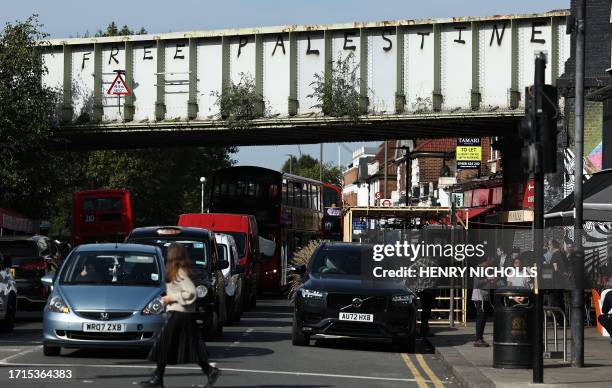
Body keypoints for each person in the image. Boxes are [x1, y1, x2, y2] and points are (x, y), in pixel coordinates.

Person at [140, 243, 220, 388]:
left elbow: (191, 292)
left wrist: (171, 298)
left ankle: (158, 378)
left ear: (172, 256)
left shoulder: (180, 272)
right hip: (181, 314)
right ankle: (209, 370)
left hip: (180, 314)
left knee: (164, 344)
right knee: (189, 347)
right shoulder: (177, 271)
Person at [472, 256, 496, 347]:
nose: (491, 264)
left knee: (483, 318)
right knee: (481, 318)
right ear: (486, 260)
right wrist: (488, 279)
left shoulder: (483, 269)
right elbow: (477, 284)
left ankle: (479, 338)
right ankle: (478, 339)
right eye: (490, 262)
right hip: (480, 296)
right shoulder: (480, 269)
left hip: (483, 296)